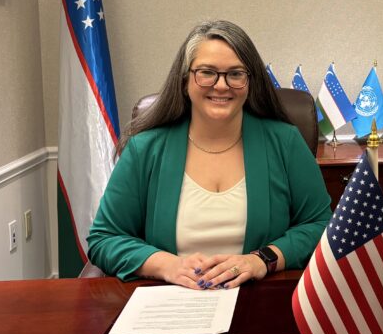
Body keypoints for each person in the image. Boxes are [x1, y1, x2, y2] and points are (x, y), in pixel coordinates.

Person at [88, 20, 331, 289]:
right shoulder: (145, 149)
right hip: (170, 302)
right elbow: (105, 238)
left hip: (257, 299)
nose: (221, 85)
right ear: (185, 81)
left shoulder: (284, 142)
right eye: (207, 72)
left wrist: (262, 259)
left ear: (250, 82)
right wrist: (166, 265)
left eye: (235, 74)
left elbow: (320, 224)